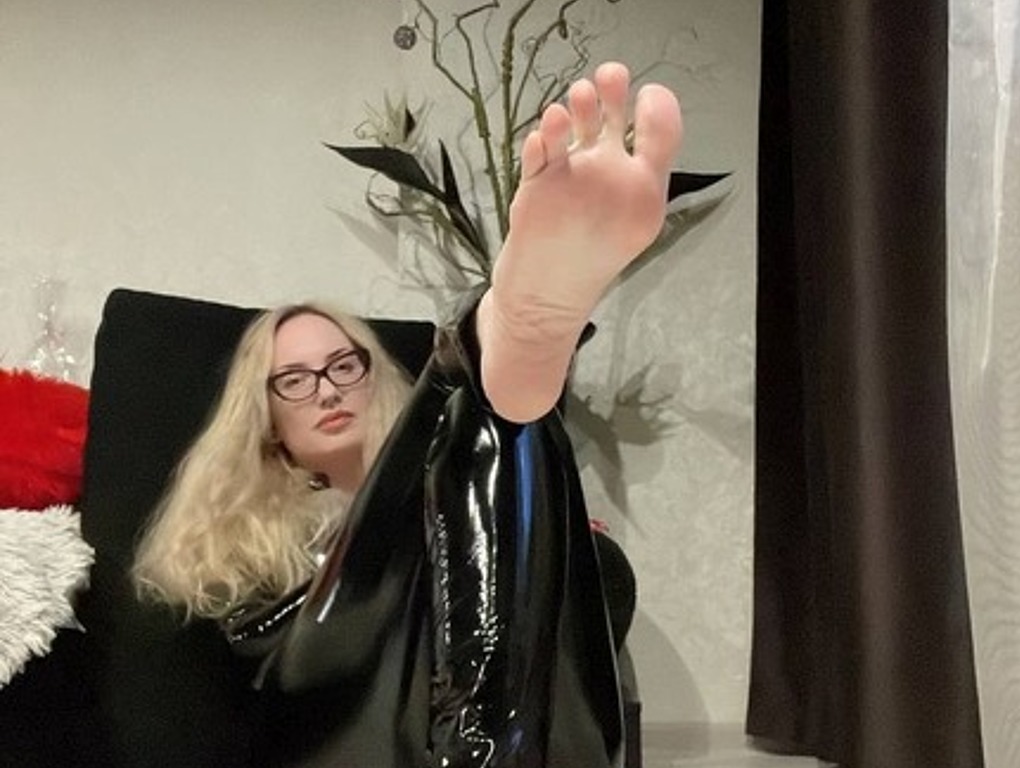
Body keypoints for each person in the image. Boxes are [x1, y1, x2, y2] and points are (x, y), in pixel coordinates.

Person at [132, 61, 682, 768]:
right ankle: (493, 345)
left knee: (481, 445)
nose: (327, 390)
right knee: (461, 445)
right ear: (264, 423)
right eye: (294, 380)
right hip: (324, 717)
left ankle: (508, 348)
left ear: (373, 377)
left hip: (447, 701)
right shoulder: (235, 542)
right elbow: (289, 686)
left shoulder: (455, 484)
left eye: (343, 365)